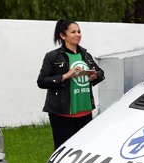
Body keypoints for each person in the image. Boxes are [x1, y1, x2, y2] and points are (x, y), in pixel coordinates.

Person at [37, 19, 105, 149]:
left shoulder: (85, 55)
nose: (77, 34)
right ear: (63, 36)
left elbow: (101, 72)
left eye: (79, 31)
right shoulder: (53, 57)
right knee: (63, 149)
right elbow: (41, 81)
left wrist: (95, 76)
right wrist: (65, 76)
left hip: (85, 111)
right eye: (73, 32)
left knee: (84, 148)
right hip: (62, 113)